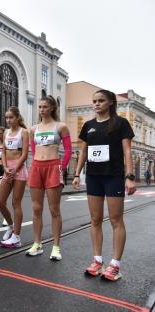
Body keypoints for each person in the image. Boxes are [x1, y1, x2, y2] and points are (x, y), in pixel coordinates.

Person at [72, 89, 136, 281]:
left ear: (110, 103)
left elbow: (127, 150)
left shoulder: (120, 123)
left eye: (101, 101)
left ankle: (115, 265)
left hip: (113, 176)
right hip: (93, 177)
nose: (96, 104)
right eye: (94, 101)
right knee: (95, 219)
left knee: (116, 220)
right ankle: (97, 261)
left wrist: (130, 176)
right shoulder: (88, 125)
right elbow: (83, 152)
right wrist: (76, 173)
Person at [27, 95, 71, 260]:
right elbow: (33, 149)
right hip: (37, 168)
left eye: (45, 107)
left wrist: (61, 168)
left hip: (53, 167)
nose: (41, 110)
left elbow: (67, 150)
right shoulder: (33, 129)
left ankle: (56, 246)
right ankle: (37, 244)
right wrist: (35, 164)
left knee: (54, 210)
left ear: (52, 108)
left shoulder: (61, 126)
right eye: (39, 107)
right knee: (36, 209)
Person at [0, 106, 29, 248]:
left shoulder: (24, 132)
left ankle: (16, 236)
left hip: (19, 169)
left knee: (16, 203)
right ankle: (10, 226)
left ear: (17, 117)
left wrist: (15, 169)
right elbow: (3, 152)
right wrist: (5, 167)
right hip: (7, 169)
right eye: (7, 117)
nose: (8, 120)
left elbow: (25, 154)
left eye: (11, 117)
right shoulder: (6, 133)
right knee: (0, 202)